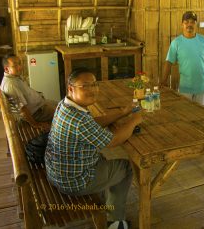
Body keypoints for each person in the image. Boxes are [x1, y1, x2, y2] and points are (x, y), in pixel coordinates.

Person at [45, 67, 142, 229]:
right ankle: (116, 222)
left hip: (57, 171)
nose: (92, 90)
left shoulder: (65, 105)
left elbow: (93, 123)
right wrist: (135, 120)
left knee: (104, 159)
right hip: (74, 181)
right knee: (126, 167)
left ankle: (106, 200)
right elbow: (114, 141)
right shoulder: (78, 119)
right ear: (71, 88)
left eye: (95, 84)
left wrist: (122, 112)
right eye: (85, 86)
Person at [161, 11, 204, 105]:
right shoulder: (176, 43)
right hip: (185, 88)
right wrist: (163, 81)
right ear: (182, 24)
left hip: (202, 87)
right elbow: (168, 62)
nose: (189, 25)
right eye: (186, 22)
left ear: (196, 24)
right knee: (186, 114)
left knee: (199, 114)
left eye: (192, 22)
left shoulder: (203, 40)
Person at [0, 54, 57, 131]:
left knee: (61, 104)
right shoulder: (11, 85)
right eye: (15, 65)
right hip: (37, 113)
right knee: (63, 112)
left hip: (40, 106)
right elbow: (22, 110)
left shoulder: (15, 77)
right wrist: (35, 124)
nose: (20, 67)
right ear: (6, 69)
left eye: (20, 63)